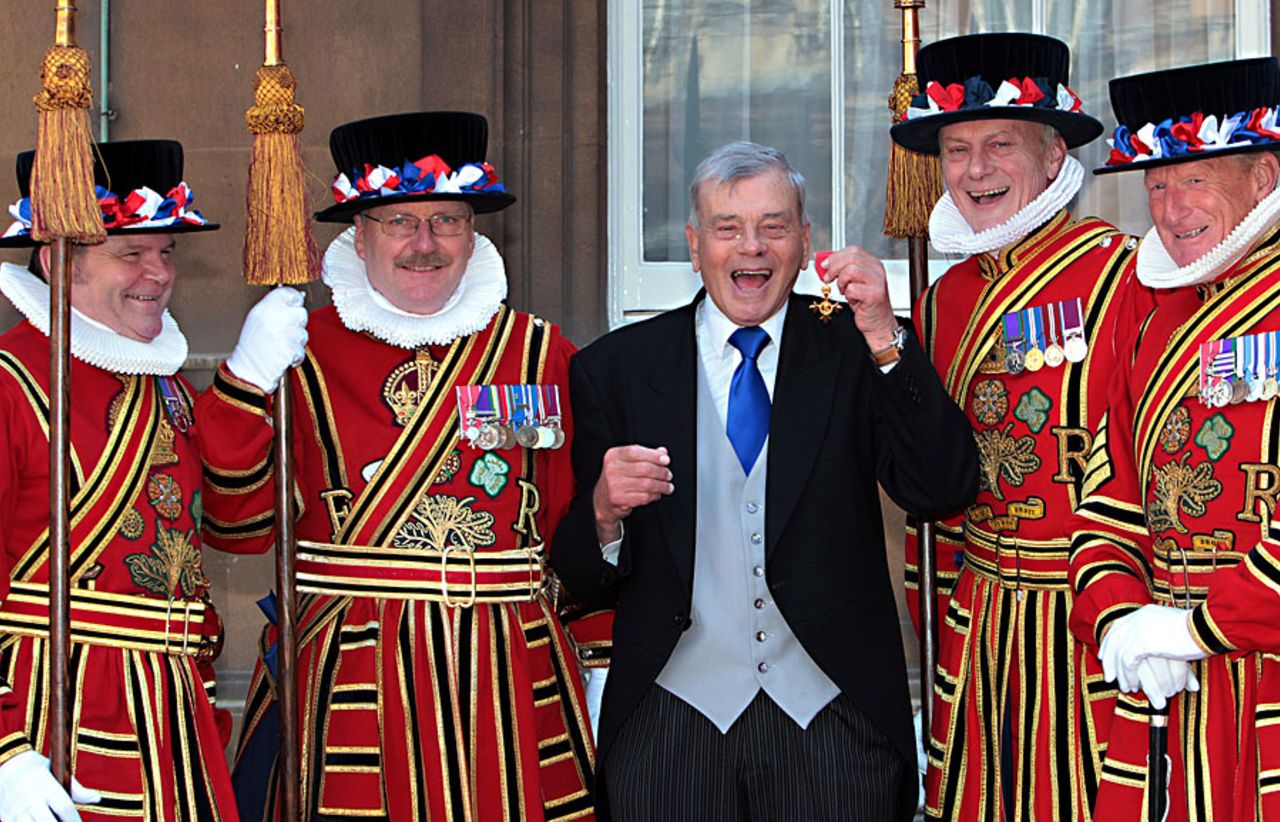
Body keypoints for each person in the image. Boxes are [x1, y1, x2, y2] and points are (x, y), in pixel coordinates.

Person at [550, 140, 977, 821]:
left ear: (804, 243)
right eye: (728, 228)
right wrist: (603, 513)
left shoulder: (856, 347)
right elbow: (581, 577)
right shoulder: (615, 369)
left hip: (835, 721)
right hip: (670, 723)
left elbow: (941, 488)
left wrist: (885, 338)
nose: (751, 247)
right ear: (695, 246)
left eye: (773, 226)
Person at [197, 111, 599, 821]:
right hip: (354, 675)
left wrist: (599, 655)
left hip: (507, 674)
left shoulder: (540, 353)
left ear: (473, 232)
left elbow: (579, 521)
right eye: (400, 221)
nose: (425, 243)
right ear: (359, 234)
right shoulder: (299, 352)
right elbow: (237, 526)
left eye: (446, 220)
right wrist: (243, 384)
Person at [876, 33, 1139, 820]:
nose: (975, 170)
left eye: (1001, 145)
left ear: (1055, 156)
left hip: (1091, 622)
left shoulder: (1126, 276)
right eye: (957, 150)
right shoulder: (941, 302)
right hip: (981, 621)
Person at [1069, 57, 1280, 820]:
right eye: (1156, 186)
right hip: (1170, 678)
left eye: (1194, 179)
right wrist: (1121, 613)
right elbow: (1107, 490)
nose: (1171, 208)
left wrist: (1199, 626)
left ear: (1263, 177)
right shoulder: (1150, 310)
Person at [0, 140, 236, 820]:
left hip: (170, 718)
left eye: (166, 252)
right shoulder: (11, 382)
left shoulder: (166, 385)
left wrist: (245, 389)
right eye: (131, 253)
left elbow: (230, 527)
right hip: (55, 714)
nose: (157, 273)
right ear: (59, 263)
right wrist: (7, 754)